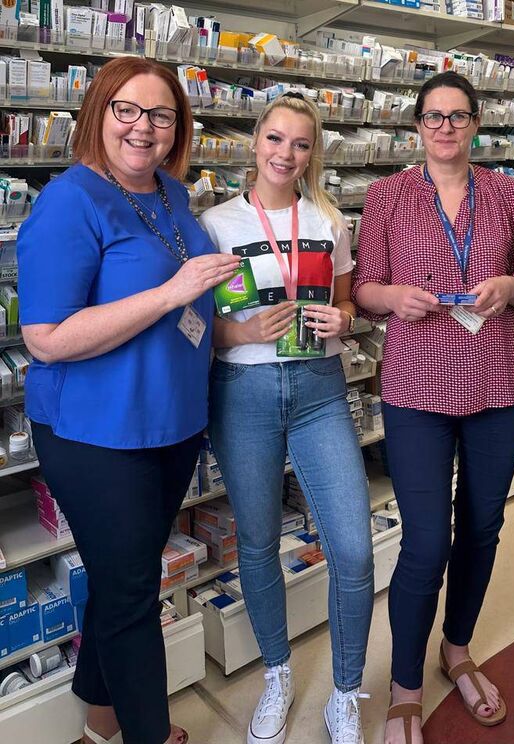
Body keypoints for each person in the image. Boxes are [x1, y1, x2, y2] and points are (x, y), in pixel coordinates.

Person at [17, 57, 240, 744]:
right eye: (127, 111)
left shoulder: (171, 194)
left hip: (170, 423)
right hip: (97, 436)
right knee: (135, 595)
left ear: (179, 126)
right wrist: (171, 293)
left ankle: (98, 723)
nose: (144, 128)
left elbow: (191, 304)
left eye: (161, 115)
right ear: (98, 114)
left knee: (123, 584)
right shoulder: (69, 201)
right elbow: (47, 339)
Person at [353, 70, 514, 744]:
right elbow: (363, 286)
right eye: (433, 116)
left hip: (497, 380)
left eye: (458, 115)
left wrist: (508, 285)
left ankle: (456, 649)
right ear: (416, 126)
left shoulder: (505, 193)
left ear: (475, 124)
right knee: (427, 539)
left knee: (484, 526)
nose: (445, 127)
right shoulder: (387, 196)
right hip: (416, 387)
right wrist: (391, 299)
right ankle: (407, 683)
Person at [199, 92, 374, 744]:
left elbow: (351, 301)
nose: (286, 154)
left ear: (312, 152)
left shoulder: (329, 218)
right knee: (256, 542)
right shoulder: (216, 224)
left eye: (301, 144)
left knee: (353, 549)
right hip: (243, 393)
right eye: (276, 139)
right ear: (254, 141)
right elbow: (196, 327)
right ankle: (276, 673)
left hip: (319, 389)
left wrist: (345, 319)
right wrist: (235, 329)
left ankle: (346, 692)